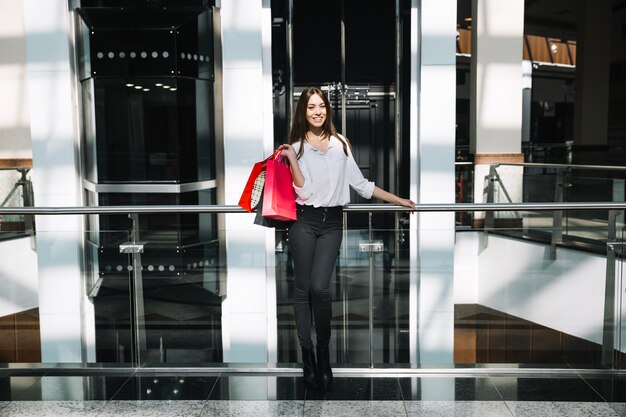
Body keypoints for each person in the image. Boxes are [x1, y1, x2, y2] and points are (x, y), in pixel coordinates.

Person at [280, 87, 416, 391]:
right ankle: (308, 358)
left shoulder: (341, 144)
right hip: (304, 221)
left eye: (322, 106)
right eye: (311, 107)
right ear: (303, 112)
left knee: (320, 288)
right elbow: (305, 192)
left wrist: (399, 200)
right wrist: (292, 160)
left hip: (332, 223)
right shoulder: (297, 147)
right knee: (303, 291)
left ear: (328, 110)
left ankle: (324, 355)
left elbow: (361, 185)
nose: (317, 111)